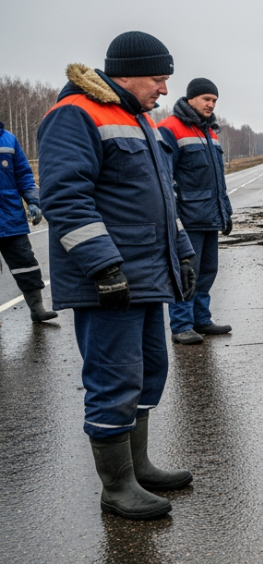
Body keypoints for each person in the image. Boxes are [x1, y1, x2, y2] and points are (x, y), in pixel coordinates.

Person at [38, 31, 197, 520]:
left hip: (147, 274)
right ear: (125, 74)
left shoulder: (138, 118)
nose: (164, 90)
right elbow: (64, 199)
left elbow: (160, 199)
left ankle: (138, 464)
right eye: (158, 79)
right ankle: (116, 486)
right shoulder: (75, 115)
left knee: (150, 371)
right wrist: (103, 266)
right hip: (109, 281)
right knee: (114, 378)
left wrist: (184, 252)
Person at [157, 77, 233, 345]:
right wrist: (173, 218)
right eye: (206, 99)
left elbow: (218, 181)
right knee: (185, 272)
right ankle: (181, 325)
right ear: (191, 99)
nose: (211, 104)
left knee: (207, 271)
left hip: (210, 217)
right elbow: (163, 178)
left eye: (214, 100)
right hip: (186, 218)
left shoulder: (209, 131)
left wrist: (226, 212)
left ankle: (201, 319)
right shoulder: (170, 128)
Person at [0, 120, 58, 322]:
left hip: (10, 217)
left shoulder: (8, 139)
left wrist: (33, 201)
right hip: (10, 215)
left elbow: (24, 174)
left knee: (26, 263)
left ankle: (37, 309)